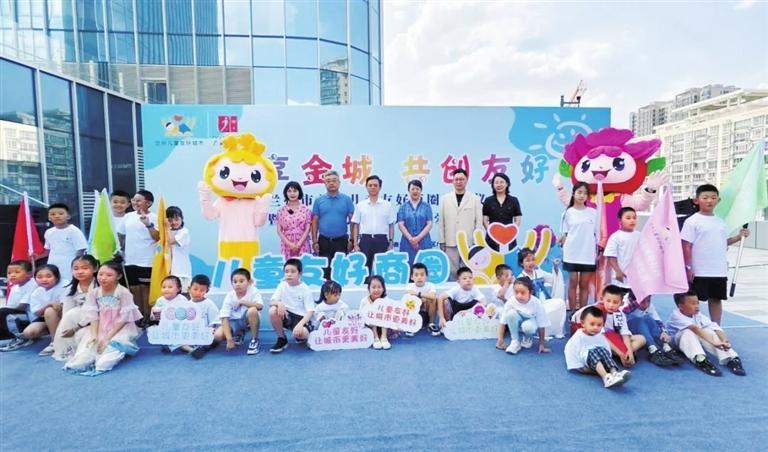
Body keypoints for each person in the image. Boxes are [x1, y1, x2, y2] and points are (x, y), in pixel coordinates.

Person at [681, 184, 750, 324]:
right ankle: (693, 327)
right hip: (699, 270)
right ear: (696, 200)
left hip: (718, 270)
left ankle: (716, 328)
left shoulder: (720, 222)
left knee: (716, 299)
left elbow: (722, 242)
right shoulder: (692, 221)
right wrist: (688, 267)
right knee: (693, 300)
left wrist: (739, 237)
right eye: (705, 197)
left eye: (713, 198)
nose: (709, 201)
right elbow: (686, 245)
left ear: (718, 200)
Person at [63, 261, 142, 375]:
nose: (103, 278)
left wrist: (107, 338)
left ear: (118, 276)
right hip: (100, 328)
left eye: (109, 275)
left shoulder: (124, 293)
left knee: (103, 363)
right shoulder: (94, 293)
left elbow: (124, 319)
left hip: (119, 330)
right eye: (100, 274)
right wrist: (94, 336)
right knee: (80, 361)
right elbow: (93, 316)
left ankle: (117, 352)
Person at [668, 291, 746, 377]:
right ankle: (700, 359)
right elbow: (695, 329)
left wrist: (725, 341)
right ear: (681, 306)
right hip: (677, 343)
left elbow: (714, 327)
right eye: (693, 304)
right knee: (688, 332)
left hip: (695, 336)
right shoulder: (676, 316)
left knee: (708, 330)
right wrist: (714, 343)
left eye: (697, 303)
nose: (697, 306)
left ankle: (731, 357)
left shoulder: (697, 315)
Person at [574, 285, 645, 368]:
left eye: (615, 302)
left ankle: (624, 355)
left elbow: (624, 333)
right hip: (594, 335)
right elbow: (601, 336)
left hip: (612, 336)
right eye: (608, 301)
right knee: (603, 340)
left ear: (621, 303)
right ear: (602, 299)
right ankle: (621, 355)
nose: (611, 305)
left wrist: (629, 351)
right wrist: (620, 353)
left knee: (641, 339)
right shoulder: (597, 312)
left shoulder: (620, 314)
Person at [116, 190, 159, 323]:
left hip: (147, 260)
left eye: (138, 200)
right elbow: (121, 235)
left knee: (146, 289)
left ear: (148, 203)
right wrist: (120, 250)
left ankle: (148, 316)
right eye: (133, 200)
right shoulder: (128, 216)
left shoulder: (155, 217)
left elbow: (158, 237)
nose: (135, 202)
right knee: (134, 289)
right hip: (130, 259)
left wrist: (148, 225)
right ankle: (138, 317)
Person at [564, 306, 631, 389]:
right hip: (585, 363)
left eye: (599, 325)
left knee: (602, 350)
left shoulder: (599, 335)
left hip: (597, 361)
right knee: (592, 352)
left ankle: (614, 372)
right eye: (592, 324)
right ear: (583, 323)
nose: (595, 328)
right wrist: (581, 368)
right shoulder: (578, 337)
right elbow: (570, 351)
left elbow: (606, 348)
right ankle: (606, 377)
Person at [52, 255, 99, 362]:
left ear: (95, 268)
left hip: (98, 320)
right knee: (71, 315)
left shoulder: (101, 285)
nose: (80, 272)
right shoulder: (70, 289)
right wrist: (73, 328)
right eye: (76, 269)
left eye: (85, 268)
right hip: (78, 321)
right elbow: (66, 313)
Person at [438, 169, 483, 280]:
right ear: (453, 181)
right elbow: (441, 222)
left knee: (468, 269)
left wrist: (477, 241)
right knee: (452, 270)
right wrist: (442, 240)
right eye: (456, 179)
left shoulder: (475, 199)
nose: (459, 182)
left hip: (469, 242)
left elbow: (479, 222)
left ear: (466, 180)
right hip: (450, 241)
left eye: (461, 179)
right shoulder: (445, 199)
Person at [559, 182, 597, 314]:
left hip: (587, 253)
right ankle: (573, 313)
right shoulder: (567, 213)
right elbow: (564, 234)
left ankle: (582, 313)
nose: (582, 196)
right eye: (579, 192)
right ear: (573, 194)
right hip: (571, 252)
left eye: (585, 193)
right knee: (573, 282)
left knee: (584, 284)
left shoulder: (594, 213)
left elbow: (597, 233)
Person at [311, 170, 355, 279]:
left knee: (340, 271)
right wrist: (315, 241)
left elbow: (353, 221)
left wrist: (352, 240)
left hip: (341, 241)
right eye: (328, 181)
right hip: (324, 241)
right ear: (324, 183)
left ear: (339, 183)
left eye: (334, 180)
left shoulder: (347, 200)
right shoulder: (319, 201)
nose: (331, 183)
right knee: (325, 272)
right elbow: (314, 222)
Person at [622, 293, 686, 367]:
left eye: (648, 301)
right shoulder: (625, 303)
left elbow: (657, 320)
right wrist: (634, 305)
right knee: (638, 320)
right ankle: (653, 350)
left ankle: (665, 346)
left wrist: (664, 332)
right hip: (628, 332)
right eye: (642, 302)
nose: (646, 305)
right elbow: (623, 313)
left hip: (644, 329)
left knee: (649, 319)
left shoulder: (649, 306)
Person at [351, 175, 396, 276]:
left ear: (380, 187)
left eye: (375, 185)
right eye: (370, 185)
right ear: (366, 187)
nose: (373, 187)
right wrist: (355, 244)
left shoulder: (387, 205)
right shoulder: (360, 205)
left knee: (382, 269)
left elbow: (391, 225)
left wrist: (391, 242)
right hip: (365, 240)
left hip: (382, 240)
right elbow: (356, 225)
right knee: (365, 269)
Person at [517, 248, 566, 339]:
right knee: (543, 311)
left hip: (544, 301)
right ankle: (543, 333)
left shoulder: (539, 272)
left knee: (560, 303)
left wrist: (555, 267)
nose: (531, 263)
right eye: (528, 260)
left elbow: (554, 279)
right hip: (531, 306)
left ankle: (556, 331)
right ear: (521, 263)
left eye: (533, 260)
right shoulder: (520, 278)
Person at [268, 259, 315, 353]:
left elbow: (310, 311)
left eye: (293, 271)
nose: (289, 274)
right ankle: (282, 338)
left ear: (300, 273)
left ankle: (302, 336)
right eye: (286, 271)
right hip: (287, 315)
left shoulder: (305, 289)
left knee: (301, 334)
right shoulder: (282, 285)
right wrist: (279, 303)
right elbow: (272, 301)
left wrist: (300, 325)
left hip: (301, 318)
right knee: (272, 310)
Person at [214, 268, 263, 356]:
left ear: (249, 282)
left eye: (241, 281)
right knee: (218, 336)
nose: (238, 284)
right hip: (233, 323)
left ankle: (254, 340)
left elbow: (260, 306)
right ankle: (237, 335)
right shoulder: (230, 296)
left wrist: (243, 302)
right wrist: (229, 339)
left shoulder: (254, 291)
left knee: (252, 310)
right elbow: (224, 317)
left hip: (246, 321)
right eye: (235, 282)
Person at [21, 264, 66, 356]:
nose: (44, 279)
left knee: (50, 311)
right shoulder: (37, 292)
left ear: (56, 277)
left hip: (63, 315)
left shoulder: (64, 285)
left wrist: (53, 307)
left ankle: (55, 342)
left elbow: (64, 305)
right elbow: (37, 313)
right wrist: (49, 304)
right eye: (40, 277)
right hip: (45, 318)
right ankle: (52, 330)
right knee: (28, 333)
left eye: (48, 276)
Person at [499, 277, 551, 355]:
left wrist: (541, 345)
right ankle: (515, 341)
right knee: (510, 314)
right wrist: (500, 340)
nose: (519, 296)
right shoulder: (511, 301)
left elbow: (542, 324)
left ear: (530, 292)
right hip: (517, 321)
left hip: (530, 322)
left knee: (528, 327)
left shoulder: (536, 303)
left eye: (523, 293)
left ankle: (528, 337)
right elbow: (503, 321)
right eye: (516, 292)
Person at [38, 203, 87, 282]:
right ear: (49, 218)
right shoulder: (48, 232)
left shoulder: (74, 231)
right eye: (53, 214)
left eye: (61, 213)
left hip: (69, 266)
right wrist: (36, 257)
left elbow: (81, 250)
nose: (57, 216)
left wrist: (76, 266)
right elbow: (47, 250)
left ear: (68, 216)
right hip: (53, 266)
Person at [0, 260, 37, 351]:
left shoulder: (33, 284)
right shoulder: (14, 287)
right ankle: (8, 337)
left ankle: (21, 338)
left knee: (4, 313)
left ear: (29, 274)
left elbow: (22, 306)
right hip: (21, 314)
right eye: (9, 273)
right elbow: (11, 305)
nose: (12, 275)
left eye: (17, 272)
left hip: (32, 317)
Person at [437, 267, 487, 332]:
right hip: (456, 312)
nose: (468, 280)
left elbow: (484, 303)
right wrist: (441, 317)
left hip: (469, 313)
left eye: (470, 278)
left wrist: (468, 311)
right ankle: (446, 323)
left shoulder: (475, 290)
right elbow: (440, 297)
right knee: (445, 301)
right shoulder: (456, 289)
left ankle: (475, 324)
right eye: (464, 278)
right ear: (458, 282)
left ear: (473, 280)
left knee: (481, 305)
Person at [482, 173, 522, 251]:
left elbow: (518, 219)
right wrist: (491, 232)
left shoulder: (514, 200)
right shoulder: (488, 200)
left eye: (501, 182)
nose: (499, 185)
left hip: (509, 237)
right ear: (493, 185)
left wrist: (511, 232)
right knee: (492, 257)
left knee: (509, 257)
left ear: (507, 184)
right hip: (492, 238)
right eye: (496, 182)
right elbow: (485, 220)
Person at [397, 179, 434, 264]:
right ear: (409, 191)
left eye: (417, 189)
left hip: (424, 241)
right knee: (407, 265)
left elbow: (429, 224)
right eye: (412, 189)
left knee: (424, 265)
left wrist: (418, 238)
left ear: (421, 191)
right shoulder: (403, 207)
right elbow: (401, 225)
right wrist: (411, 239)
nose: (415, 191)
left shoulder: (426, 206)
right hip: (407, 242)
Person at [186, 274, 222, 359]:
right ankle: (191, 349)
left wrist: (210, 330)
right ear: (189, 289)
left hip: (205, 333)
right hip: (192, 333)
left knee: (214, 338)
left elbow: (215, 322)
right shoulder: (186, 304)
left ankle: (203, 348)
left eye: (202, 290)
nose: (198, 293)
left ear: (207, 291)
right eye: (195, 289)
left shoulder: (209, 304)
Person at [604, 207, 640, 291]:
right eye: (628, 218)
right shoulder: (616, 236)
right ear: (620, 220)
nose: (632, 220)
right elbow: (611, 257)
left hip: (636, 278)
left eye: (634, 218)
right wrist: (618, 271)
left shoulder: (639, 235)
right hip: (621, 278)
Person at [150, 275, 189, 353]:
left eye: (170, 287)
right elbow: (153, 318)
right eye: (163, 287)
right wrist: (154, 315)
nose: (166, 289)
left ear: (178, 289)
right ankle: (175, 345)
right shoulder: (160, 300)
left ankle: (183, 346)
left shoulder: (182, 299)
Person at [276, 181, 312, 259]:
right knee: (289, 265)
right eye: (289, 191)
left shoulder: (306, 210)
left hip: (303, 243)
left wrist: (299, 244)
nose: (292, 193)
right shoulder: (281, 211)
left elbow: (308, 229)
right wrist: (290, 244)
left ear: (299, 192)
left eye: (295, 191)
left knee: (303, 264)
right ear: (286, 193)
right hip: (287, 244)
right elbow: (279, 231)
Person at [405, 262, 438, 336]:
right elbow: (410, 294)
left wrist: (419, 295)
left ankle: (431, 323)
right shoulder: (409, 286)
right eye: (416, 275)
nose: (419, 277)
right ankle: (411, 324)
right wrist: (422, 299)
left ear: (426, 276)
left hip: (427, 310)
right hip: (416, 312)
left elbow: (433, 296)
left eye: (422, 275)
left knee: (433, 299)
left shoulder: (431, 285)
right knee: (409, 299)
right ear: (412, 277)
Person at [361, 275, 392, 350]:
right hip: (370, 325)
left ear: (383, 289)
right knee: (372, 315)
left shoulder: (386, 300)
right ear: (369, 289)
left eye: (379, 287)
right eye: (373, 287)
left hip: (383, 326)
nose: (376, 290)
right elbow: (361, 315)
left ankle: (384, 338)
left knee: (386, 315)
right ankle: (375, 338)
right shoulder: (364, 301)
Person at [165, 206, 192, 292]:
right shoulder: (167, 231)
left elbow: (171, 241)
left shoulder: (184, 232)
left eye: (176, 219)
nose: (173, 222)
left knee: (184, 294)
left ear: (182, 219)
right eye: (170, 220)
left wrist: (167, 227)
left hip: (181, 271)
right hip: (169, 271)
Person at [492, 264, 513, 350]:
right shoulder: (495, 287)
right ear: (498, 277)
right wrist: (507, 283)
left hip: (512, 310)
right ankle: (500, 340)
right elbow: (501, 295)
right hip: (500, 311)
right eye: (507, 276)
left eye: (511, 275)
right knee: (502, 312)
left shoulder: (512, 286)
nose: (510, 277)